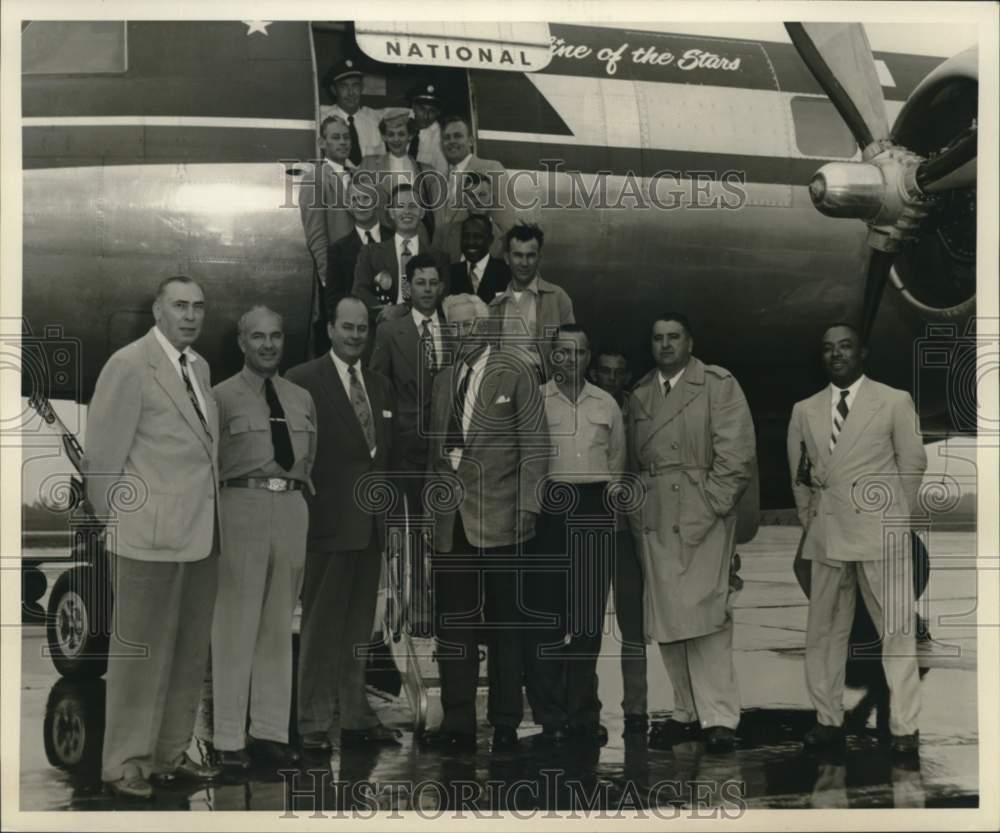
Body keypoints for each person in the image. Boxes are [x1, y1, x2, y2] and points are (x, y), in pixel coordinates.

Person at [83, 276, 221, 799]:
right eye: (180, 306)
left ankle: (168, 752)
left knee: (187, 654)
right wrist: (120, 524)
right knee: (139, 656)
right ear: (158, 312)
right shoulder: (128, 365)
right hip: (147, 537)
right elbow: (102, 462)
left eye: (199, 307)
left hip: (201, 534)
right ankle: (122, 763)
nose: (191, 315)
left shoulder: (200, 367)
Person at [787, 322, 927, 755]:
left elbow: (913, 463)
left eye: (845, 346)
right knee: (824, 633)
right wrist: (813, 521)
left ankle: (904, 728)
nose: (837, 354)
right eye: (828, 348)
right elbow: (801, 476)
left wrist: (892, 519)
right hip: (827, 534)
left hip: (878, 534)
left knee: (897, 632)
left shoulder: (893, 401)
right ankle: (828, 721)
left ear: (862, 352)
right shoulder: (805, 409)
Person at [420, 293, 549, 753]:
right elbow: (437, 455)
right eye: (452, 328)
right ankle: (458, 721)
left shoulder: (516, 373)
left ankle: (506, 722)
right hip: (451, 524)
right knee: (454, 627)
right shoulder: (441, 381)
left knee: (506, 629)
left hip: (502, 521)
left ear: (486, 327)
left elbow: (536, 446)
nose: (460, 335)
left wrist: (528, 508)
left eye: (467, 327)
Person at [626, 312, 755, 753]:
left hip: (701, 517)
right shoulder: (640, 394)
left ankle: (720, 717)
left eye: (674, 337)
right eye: (658, 338)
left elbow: (736, 456)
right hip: (656, 519)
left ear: (690, 343)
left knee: (709, 619)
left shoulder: (719, 386)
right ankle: (686, 712)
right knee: (670, 624)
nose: (665, 345)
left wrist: (711, 508)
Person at [285, 295, 401, 751]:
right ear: (330, 328)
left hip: (371, 527)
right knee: (319, 627)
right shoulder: (302, 381)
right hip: (327, 525)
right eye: (347, 327)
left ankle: (354, 714)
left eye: (362, 329)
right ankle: (312, 720)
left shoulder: (379, 385)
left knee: (358, 630)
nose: (355, 335)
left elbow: (383, 457)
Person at [210, 306, 316, 771]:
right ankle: (228, 738)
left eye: (275, 336)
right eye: (258, 337)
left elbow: (311, 459)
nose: (268, 345)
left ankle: (270, 733)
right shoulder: (219, 398)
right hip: (242, 506)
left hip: (291, 507)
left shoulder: (300, 398)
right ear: (241, 342)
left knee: (277, 627)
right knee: (235, 626)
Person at [527, 325, 625, 746]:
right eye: (562, 353)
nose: (571, 360)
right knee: (548, 618)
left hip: (594, 508)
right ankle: (549, 714)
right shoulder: (536, 401)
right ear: (552, 357)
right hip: (549, 509)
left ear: (589, 357)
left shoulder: (607, 404)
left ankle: (583, 712)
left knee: (586, 619)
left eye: (580, 352)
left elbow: (617, 461)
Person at [370, 255, 450, 636]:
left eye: (434, 282)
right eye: (421, 282)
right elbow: (377, 385)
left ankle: (451, 604)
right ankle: (414, 605)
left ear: (442, 286)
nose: (428, 290)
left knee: (447, 527)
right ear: (409, 286)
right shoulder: (391, 332)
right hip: (407, 447)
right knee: (411, 527)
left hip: (450, 446)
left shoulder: (455, 327)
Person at [590, 347, 647, 734]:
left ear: (626, 377)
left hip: (628, 532)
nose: (611, 378)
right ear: (596, 373)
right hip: (592, 532)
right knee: (587, 627)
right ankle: (586, 708)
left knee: (634, 627)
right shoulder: (587, 406)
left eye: (619, 372)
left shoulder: (639, 411)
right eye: (605, 371)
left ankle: (637, 708)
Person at [489, 223, 574, 381]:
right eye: (518, 255)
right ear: (507, 258)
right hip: (503, 390)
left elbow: (571, 350)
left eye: (530, 255)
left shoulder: (557, 297)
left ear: (539, 258)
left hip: (545, 388)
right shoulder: (495, 305)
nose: (524, 263)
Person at [352, 184, 449, 321]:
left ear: (422, 213)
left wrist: (404, 309)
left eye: (413, 206)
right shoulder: (370, 253)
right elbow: (360, 291)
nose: (407, 211)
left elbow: (441, 297)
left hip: (423, 326)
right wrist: (385, 313)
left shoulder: (439, 258)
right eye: (400, 206)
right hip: (383, 326)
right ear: (391, 213)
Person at [300, 115, 356, 352]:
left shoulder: (358, 174)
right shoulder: (315, 178)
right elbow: (316, 236)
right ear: (322, 143)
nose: (342, 143)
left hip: (358, 275)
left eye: (346, 137)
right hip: (336, 280)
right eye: (335, 138)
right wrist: (329, 281)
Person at [355, 108, 441, 241]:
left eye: (401, 134)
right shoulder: (369, 165)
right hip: (381, 238)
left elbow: (436, 213)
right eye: (391, 134)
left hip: (415, 237)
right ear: (384, 136)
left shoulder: (426, 171)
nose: (396, 139)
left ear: (410, 136)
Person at [436, 114, 508, 233]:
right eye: (446, 137)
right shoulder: (439, 180)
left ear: (471, 141)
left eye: (458, 136)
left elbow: (505, 224)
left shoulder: (492, 169)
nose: (451, 141)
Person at [326, 181, 392, 306]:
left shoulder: (395, 238)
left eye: (365, 198)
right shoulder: (338, 249)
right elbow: (333, 300)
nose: (359, 204)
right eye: (354, 199)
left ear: (376, 202)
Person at [432, 171, 509, 262]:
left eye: (482, 195)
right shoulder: (443, 234)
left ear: (492, 199)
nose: (477, 201)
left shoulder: (505, 241)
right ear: (465, 201)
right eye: (472, 196)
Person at [318, 58, 384, 164]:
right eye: (344, 86)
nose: (351, 93)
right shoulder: (322, 120)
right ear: (334, 90)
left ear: (362, 87)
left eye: (355, 86)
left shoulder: (373, 121)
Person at [446, 214, 511, 301]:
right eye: (466, 236)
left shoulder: (507, 273)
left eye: (478, 237)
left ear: (490, 240)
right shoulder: (450, 273)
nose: (471, 242)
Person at [407, 81, 448, 175]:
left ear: (438, 113)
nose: (426, 116)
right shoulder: (399, 121)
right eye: (422, 109)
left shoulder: (441, 138)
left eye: (432, 111)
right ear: (413, 106)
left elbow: (442, 175)